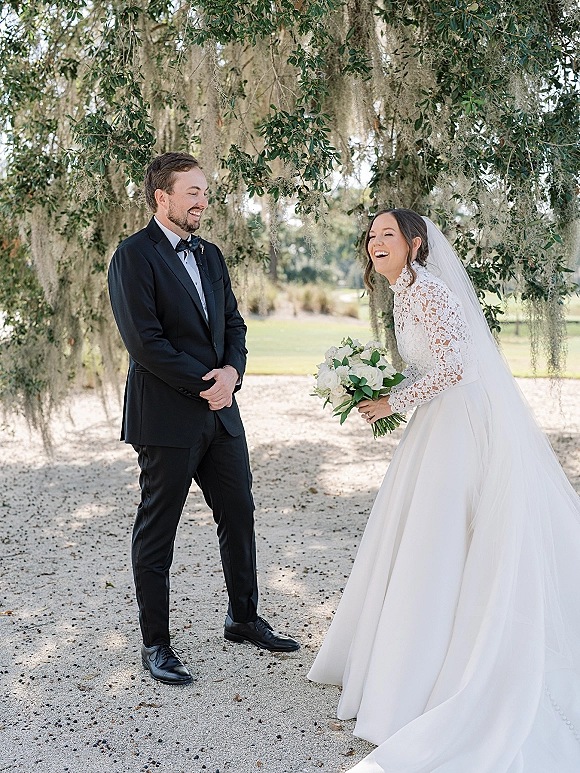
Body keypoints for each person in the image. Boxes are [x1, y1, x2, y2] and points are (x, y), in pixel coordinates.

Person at [308, 209, 580, 771]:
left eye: (388, 234)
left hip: (457, 423)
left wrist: (392, 401)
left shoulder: (428, 291)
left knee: (439, 537)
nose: (375, 242)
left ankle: (432, 669)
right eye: (372, 235)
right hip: (436, 421)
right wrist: (380, 388)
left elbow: (457, 367)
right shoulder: (405, 292)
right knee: (418, 534)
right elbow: (429, 365)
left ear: (414, 244)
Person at [108, 152, 299, 686]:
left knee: (239, 513)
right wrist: (206, 382)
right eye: (191, 191)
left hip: (222, 414)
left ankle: (242, 618)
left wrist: (233, 375)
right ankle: (156, 644)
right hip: (167, 418)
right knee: (158, 529)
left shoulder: (211, 255)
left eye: (204, 191)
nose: (202, 200)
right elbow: (145, 343)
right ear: (161, 198)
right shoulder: (132, 257)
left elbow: (234, 324)